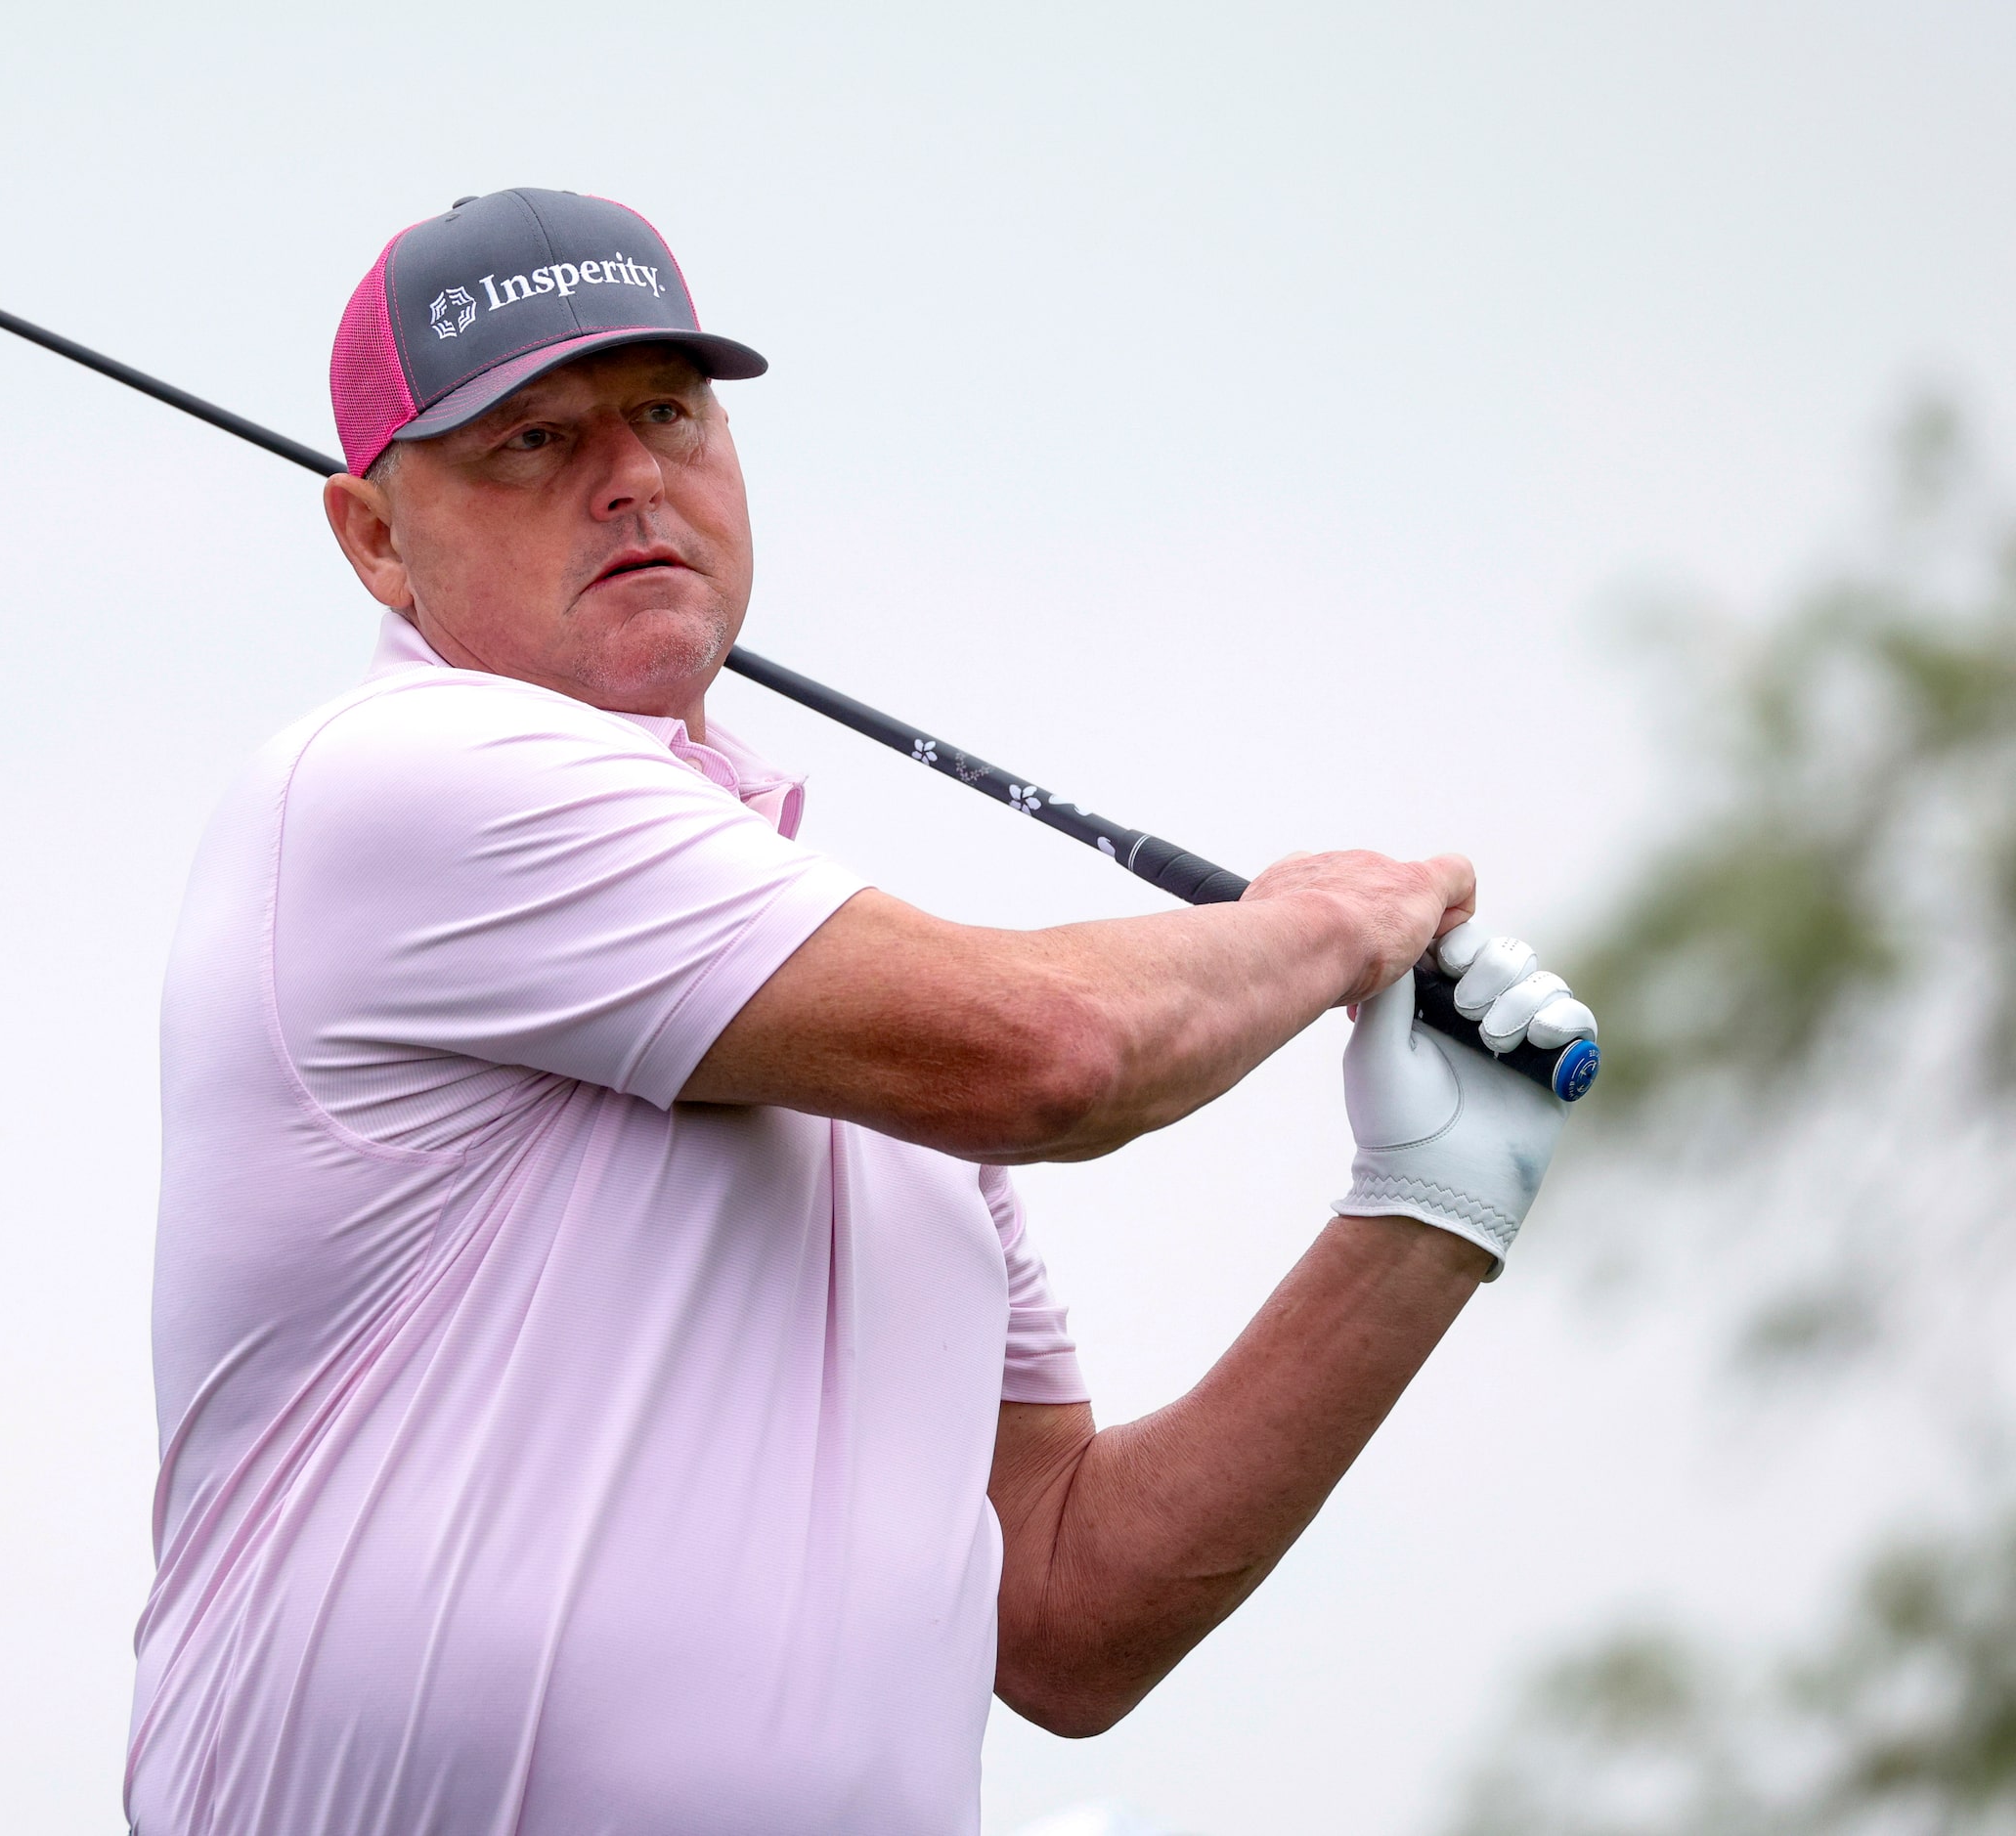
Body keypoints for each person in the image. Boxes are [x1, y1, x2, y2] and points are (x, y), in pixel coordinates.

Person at [122, 189, 1596, 1836]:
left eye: (668, 414)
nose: (629, 477)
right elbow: (1055, 1051)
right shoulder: (391, 784)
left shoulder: (842, 1020)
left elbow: (1066, 1611)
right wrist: (1325, 927)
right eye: (528, 442)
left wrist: (1429, 1212)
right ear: (377, 538)